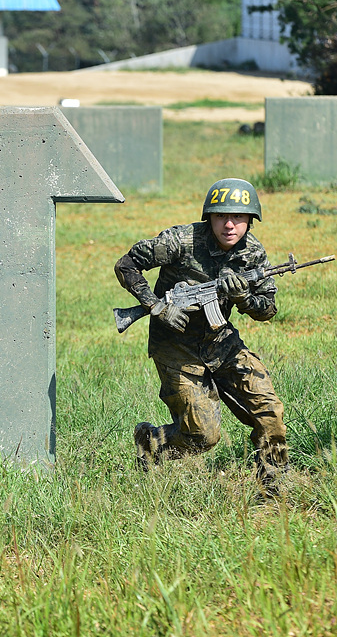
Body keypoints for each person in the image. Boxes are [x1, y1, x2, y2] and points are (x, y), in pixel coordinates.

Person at [114, 178, 288, 489]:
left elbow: (268, 309)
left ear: (251, 220)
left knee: (269, 409)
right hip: (175, 346)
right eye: (222, 216)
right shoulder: (181, 241)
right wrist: (156, 306)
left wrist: (244, 298)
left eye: (239, 217)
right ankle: (152, 442)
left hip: (221, 342)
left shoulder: (253, 254)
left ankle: (272, 486)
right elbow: (127, 265)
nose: (230, 225)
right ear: (210, 217)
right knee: (203, 436)